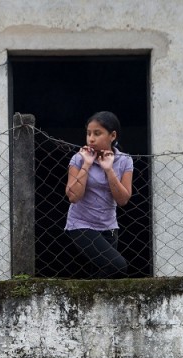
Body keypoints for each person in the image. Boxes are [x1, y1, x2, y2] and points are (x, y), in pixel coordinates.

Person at [65, 110, 133, 279]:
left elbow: (123, 199)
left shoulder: (124, 160)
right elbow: (73, 196)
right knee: (118, 266)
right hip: (81, 224)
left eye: (97, 133)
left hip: (109, 227)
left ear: (112, 135)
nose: (91, 139)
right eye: (88, 134)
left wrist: (109, 169)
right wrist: (87, 165)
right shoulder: (78, 159)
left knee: (107, 275)